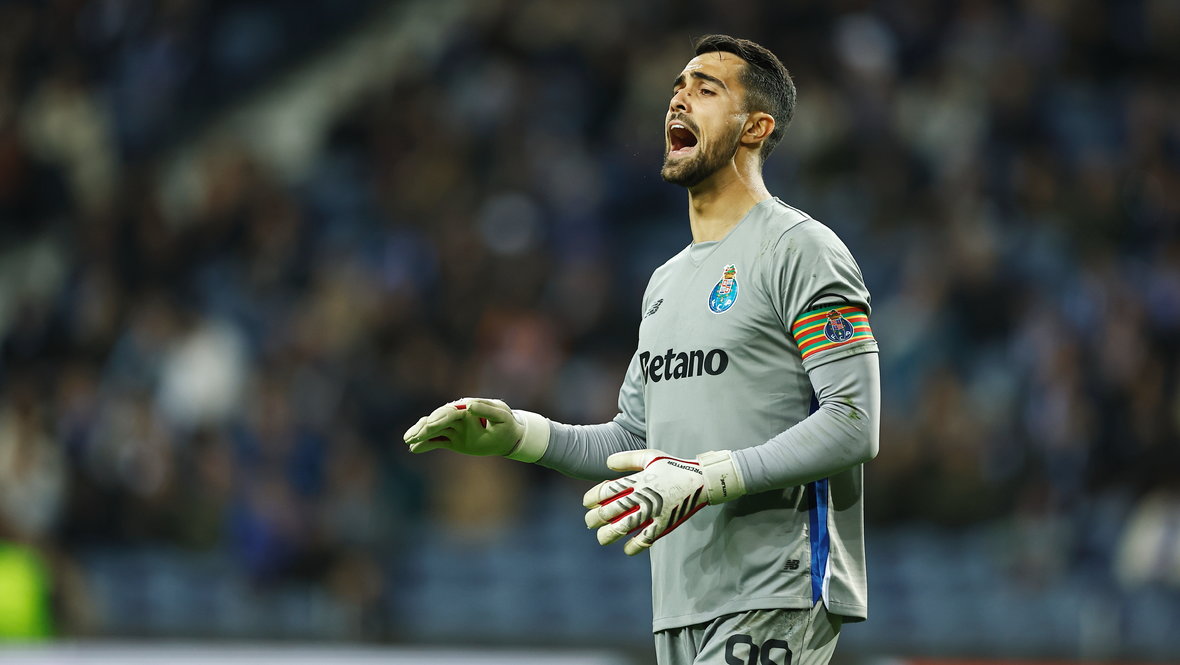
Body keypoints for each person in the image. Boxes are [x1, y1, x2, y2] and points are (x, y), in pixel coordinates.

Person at [404, 34, 880, 665]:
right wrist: (519, 434)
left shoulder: (799, 249)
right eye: (677, 88)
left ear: (755, 127)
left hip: (778, 585)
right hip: (681, 604)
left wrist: (711, 477)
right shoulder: (665, 282)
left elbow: (852, 422)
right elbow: (633, 438)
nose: (679, 99)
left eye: (706, 90)